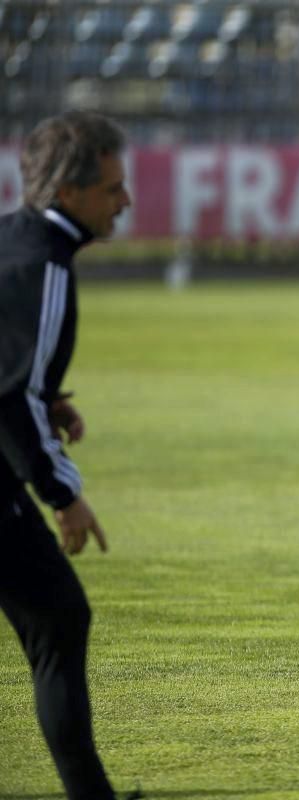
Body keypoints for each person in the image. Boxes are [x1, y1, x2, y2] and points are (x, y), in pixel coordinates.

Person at [0, 112, 133, 799]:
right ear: (70, 192)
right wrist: (63, 494)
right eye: (113, 187)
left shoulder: (11, 241)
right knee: (59, 618)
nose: (126, 201)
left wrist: (48, 402)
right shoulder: (44, 266)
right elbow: (9, 398)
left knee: (56, 618)